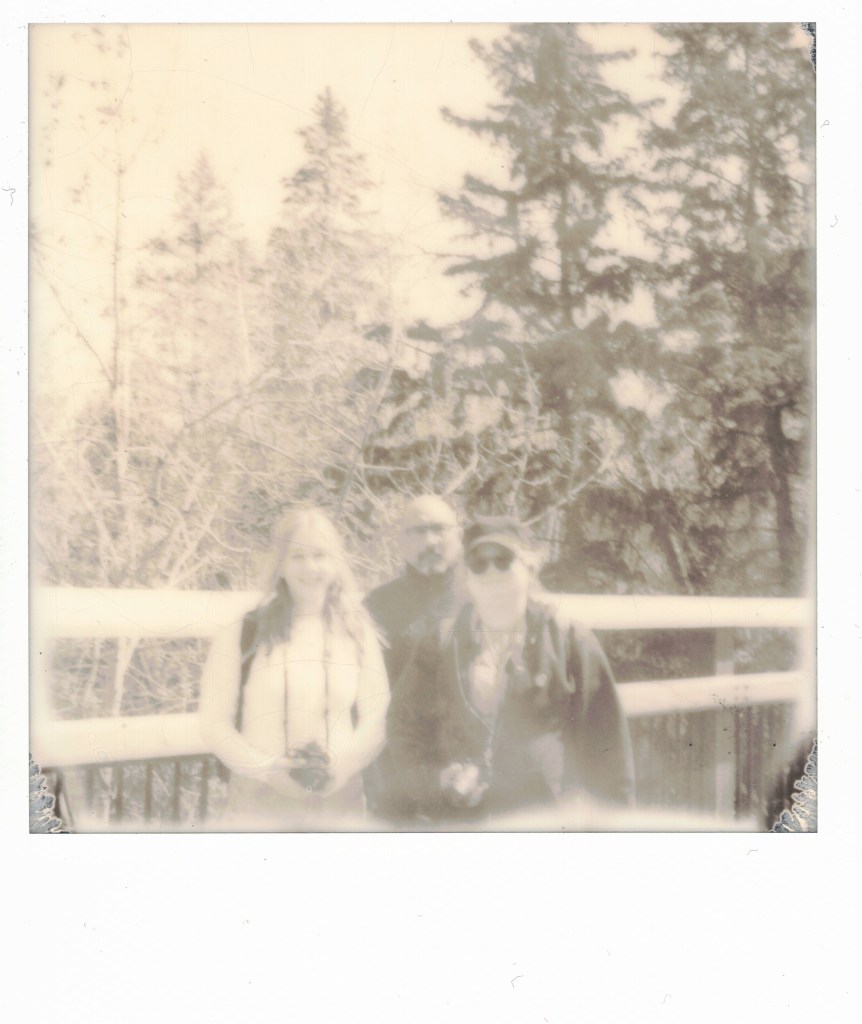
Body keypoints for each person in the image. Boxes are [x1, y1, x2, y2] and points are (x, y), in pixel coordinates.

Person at [386, 515, 635, 826]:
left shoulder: (571, 641)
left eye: (504, 560)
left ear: (529, 568)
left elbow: (610, 751)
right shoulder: (440, 643)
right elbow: (402, 723)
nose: (492, 573)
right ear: (468, 577)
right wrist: (434, 780)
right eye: (479, 563)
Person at [199, 509, 389, 829]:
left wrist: (343, 768)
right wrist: (267, 770)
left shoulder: (358, 631)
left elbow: (378, 716)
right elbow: (213, 723)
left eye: (320, 555)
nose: (310, 568)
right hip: (259, 806)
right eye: (298, 556)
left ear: (335, 562)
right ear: (281, 565)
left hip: (339, 805)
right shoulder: (245, 631)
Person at [362, 495, 464, 821]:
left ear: (459, 533)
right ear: (400, 541)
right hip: (398, 771)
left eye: (439, 529)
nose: (430, 541)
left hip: (470, 767)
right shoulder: (378, 605)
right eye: (418, 531)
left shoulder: (483, 597)